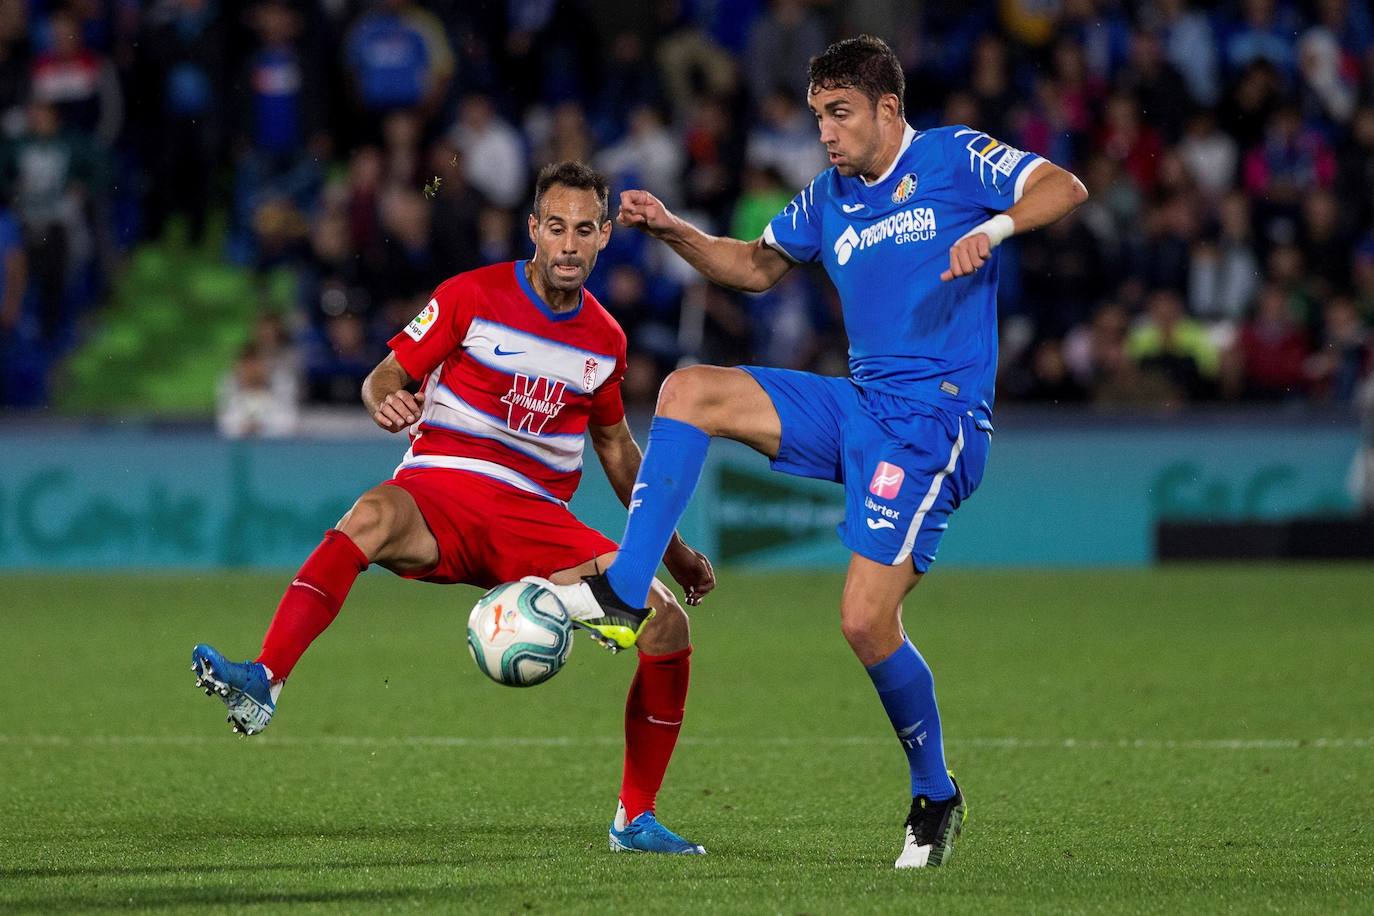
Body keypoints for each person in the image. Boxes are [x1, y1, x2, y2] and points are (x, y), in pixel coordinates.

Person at [531, 36, 1087, 869]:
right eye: (818, 113)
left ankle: (935, 794)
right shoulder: (830, 196)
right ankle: (622, 593)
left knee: (865, 621)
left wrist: (999, 229)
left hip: (932, 424)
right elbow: (755, 268)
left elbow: (1063, 185)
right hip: (859, 405)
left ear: (887, 111)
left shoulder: (951, 156)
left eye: (840, 113)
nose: (824, 131)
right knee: (688, 390)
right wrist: (675, 229)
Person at [191, 162, 716, 855]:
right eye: (554, 226)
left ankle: (635, 818)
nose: (567, 243)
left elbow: (617, 448)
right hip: (442, 488)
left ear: (604, 236)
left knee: (667, 626)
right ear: (533, 229)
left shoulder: (606, 340)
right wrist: (381, 396)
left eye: (583, 229)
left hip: (535, 521)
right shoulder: (471, 295)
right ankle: (264, 678)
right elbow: (386, 373)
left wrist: (673, 553)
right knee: (370, 516)